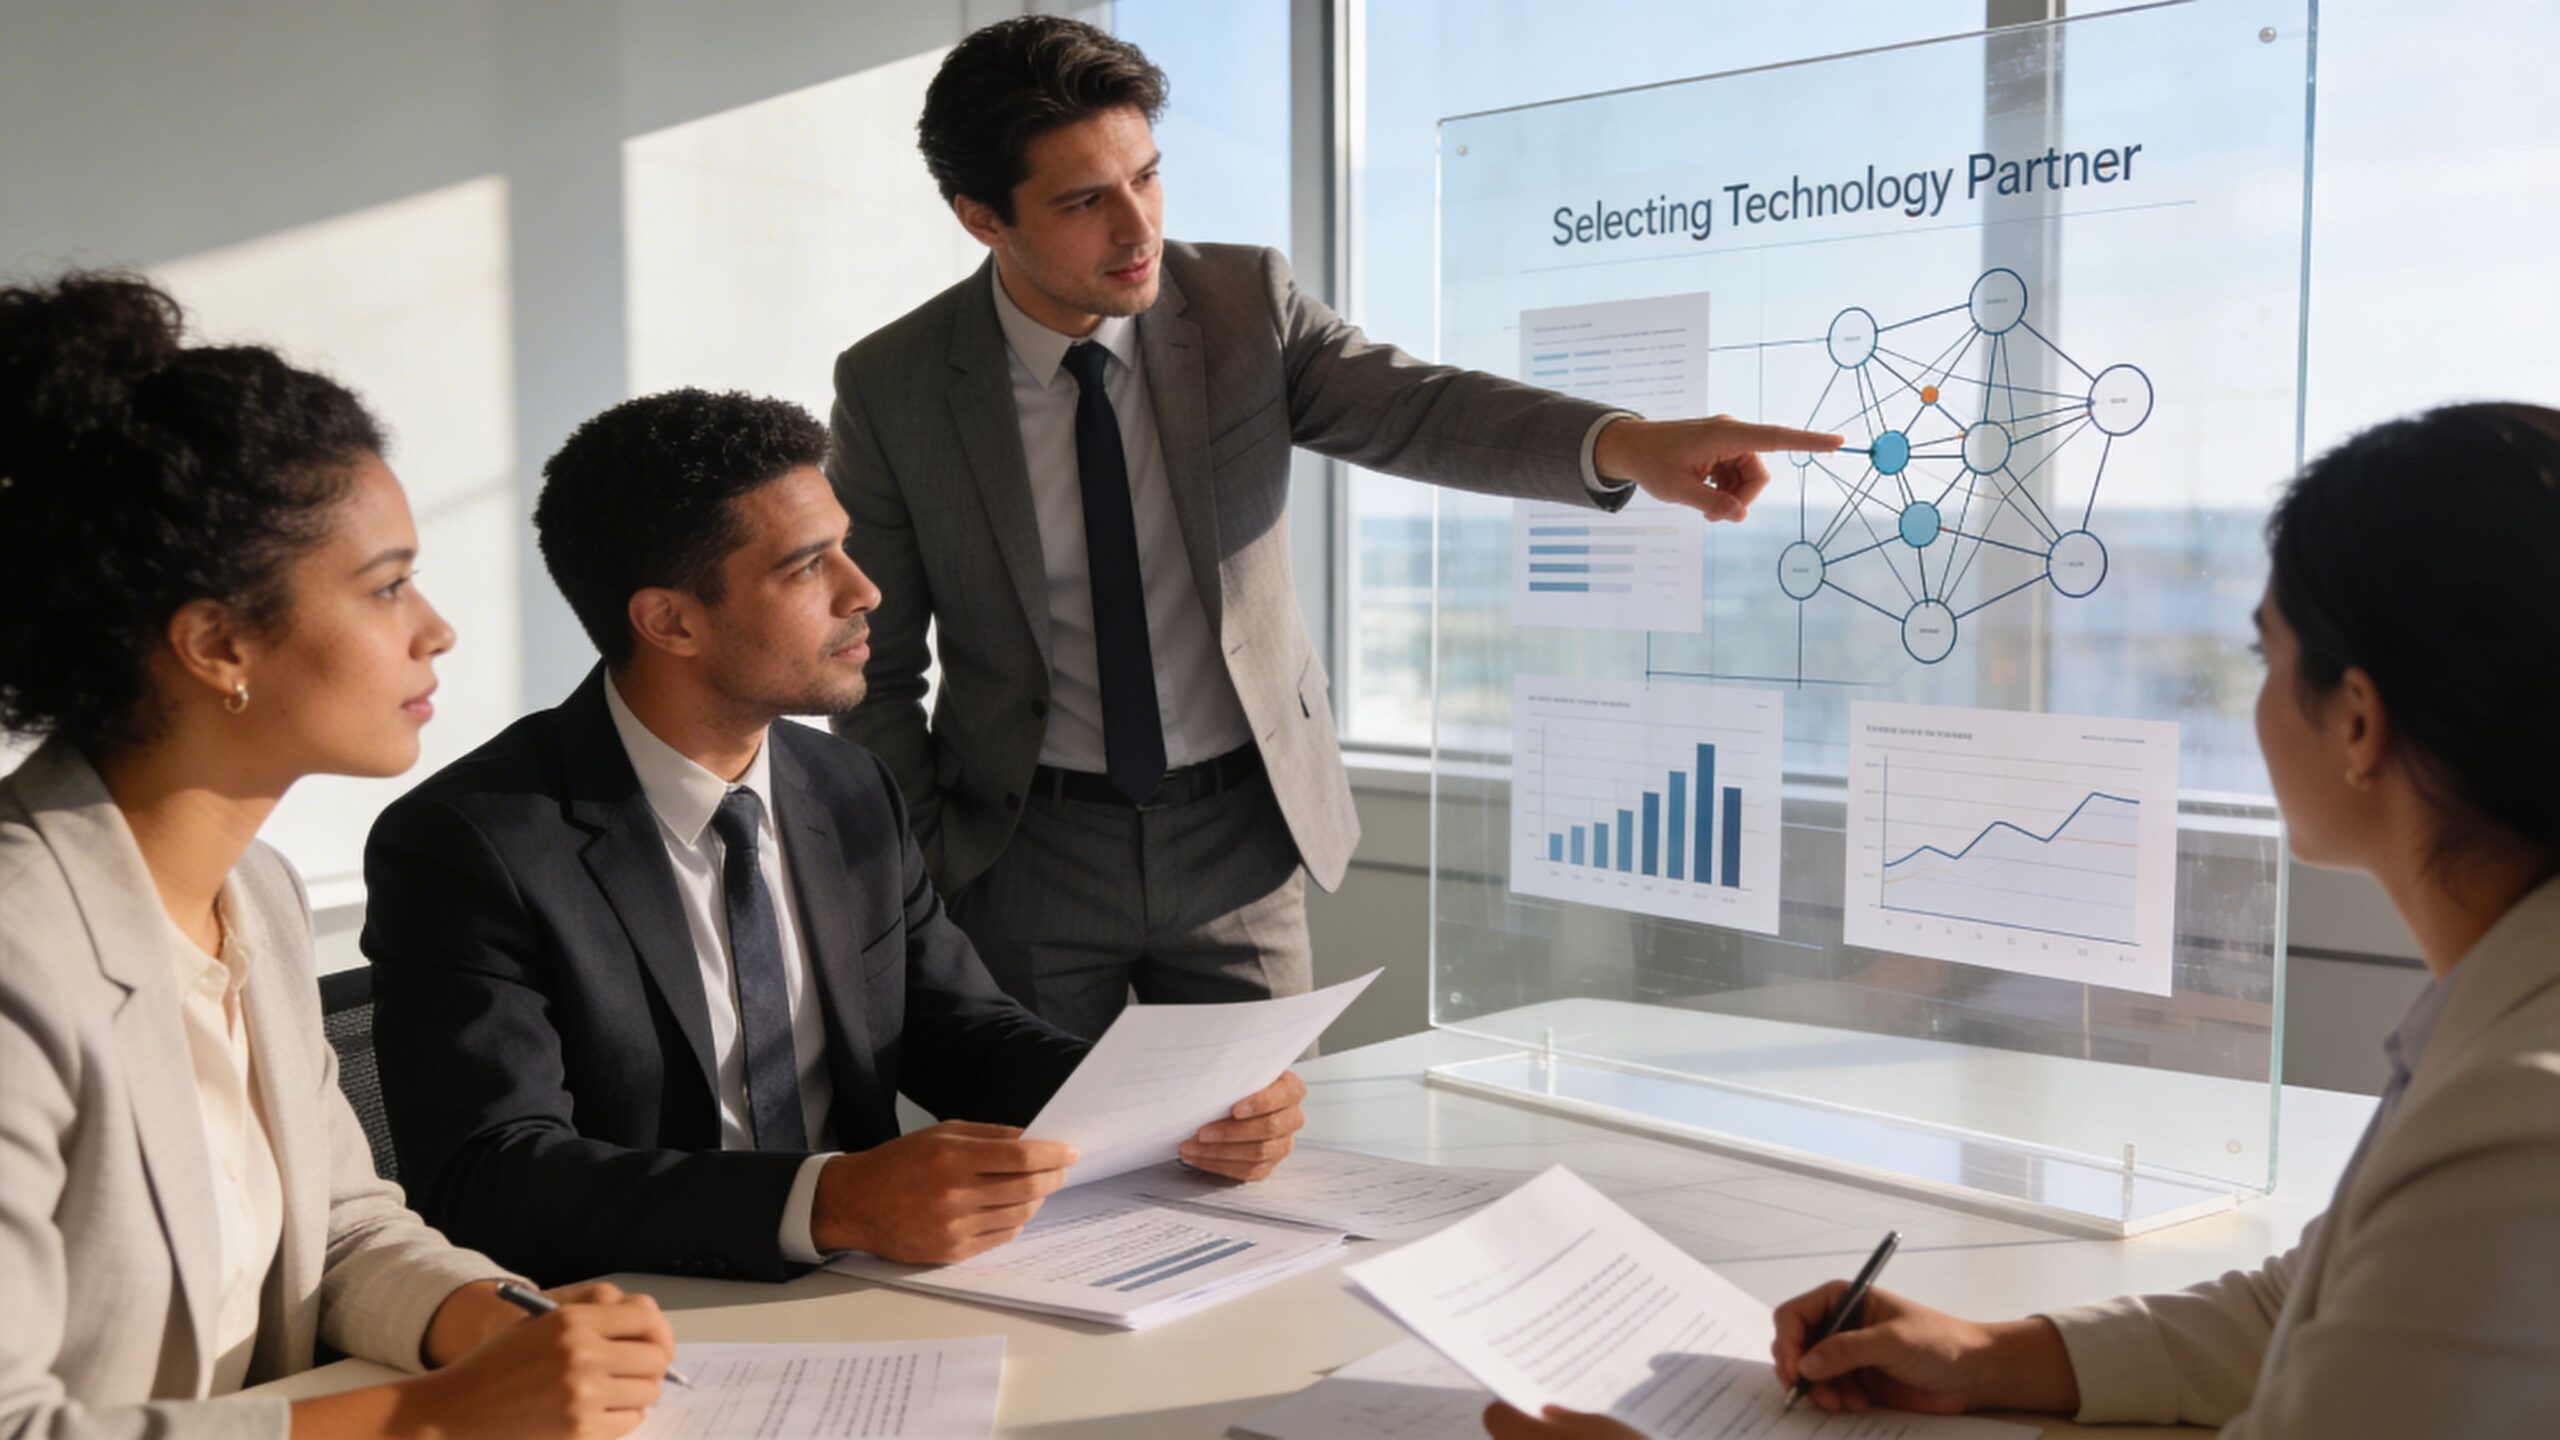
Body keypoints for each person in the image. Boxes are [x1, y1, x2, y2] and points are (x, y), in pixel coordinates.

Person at [1483, 402, 2560, 1439]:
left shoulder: (2516, 1126)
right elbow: (2322, 1314)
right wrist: (1992, 1355)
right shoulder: (2503, 1026)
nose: (2255, 699)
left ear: (2358, 722)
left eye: (2264, 658)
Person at [828, 15, 1842, 1037]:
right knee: (1045, 1169)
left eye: (1146, 175)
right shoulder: (894, 385)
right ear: (981, 218)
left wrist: (1623, 444)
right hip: (1025, 853)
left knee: (1259, 1163)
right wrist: (922, 865)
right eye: (1086, 201)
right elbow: (869, 665)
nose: (1137, 227)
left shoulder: (1240, 306)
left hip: (1241, 840)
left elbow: (1419, 409)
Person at [361, 387, 1308, 1288]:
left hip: (882, 1287)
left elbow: (961, 1034)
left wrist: (1179, 1104)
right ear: (669, 622)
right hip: (641, 1318)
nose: (867, 591)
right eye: (807, 565)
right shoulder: (470, 842)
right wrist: (827, 1201)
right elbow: (491, 1175)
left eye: (845, 550)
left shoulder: (845, 785)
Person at [0, 272, 674, 1438]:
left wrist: (505, 1326)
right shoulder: (21, 951)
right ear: (218, 644)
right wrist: (424, 1420)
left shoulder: (249, 893)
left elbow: (345, 1226)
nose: (436, 628)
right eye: (387, 585)